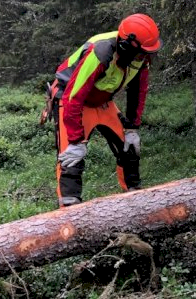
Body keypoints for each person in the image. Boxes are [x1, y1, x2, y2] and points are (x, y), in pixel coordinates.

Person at [49, 13, 162, 207]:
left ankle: (135, 198)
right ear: (127, 46)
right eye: (142, 52)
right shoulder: (101, 52)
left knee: (129, 147)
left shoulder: (140, 60)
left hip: (102, 99)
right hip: (71, 99)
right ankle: (69, 210)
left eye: (147, 53)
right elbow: (73, 97)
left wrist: (133, 128)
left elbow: (138, 92)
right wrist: (76, 140)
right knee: (71, 158)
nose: (145, 57)